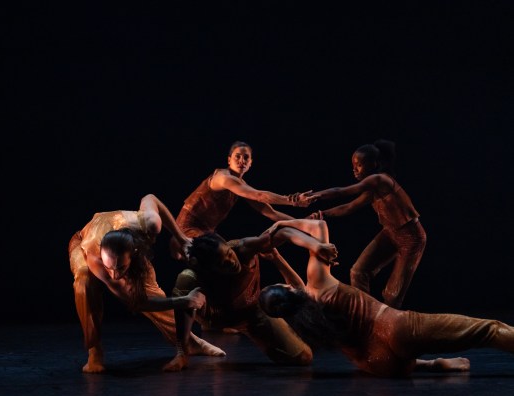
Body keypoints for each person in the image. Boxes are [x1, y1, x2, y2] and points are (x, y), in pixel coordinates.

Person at [258, 218, 514, 378]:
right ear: (287, 289)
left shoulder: (305, 326)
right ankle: (430, 361)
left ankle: (432, 364)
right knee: (490, 330)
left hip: (381, 365)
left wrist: (279, 260)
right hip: (396, 328)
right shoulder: (318, 281)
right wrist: (285, 228)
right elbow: (319, 226)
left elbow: (298, 292)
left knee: (385, 352)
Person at [68, 194, 225, 373]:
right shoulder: (97, 259)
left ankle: (189, 341)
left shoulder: (149, 223)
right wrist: (184, 301)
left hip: (122, 236)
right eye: (110, 268)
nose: (115, 274)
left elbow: (151, 198)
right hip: (83, 242)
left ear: (134, 253)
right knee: (84, 282)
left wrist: (180, 238)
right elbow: (135, 302)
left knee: (153, 294)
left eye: (121, 268)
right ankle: (94, 352)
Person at [162, 224, 339, 372]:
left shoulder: (243, 248)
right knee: (185, 279)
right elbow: (183, 304)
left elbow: (282, 232)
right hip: (216, 315)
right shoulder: (197, 274)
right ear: (210, 269)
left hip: (251, 312)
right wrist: (181, 350)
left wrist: (315, 245)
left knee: (303, 357)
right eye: (223, 263)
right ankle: (184, 350)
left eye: (229, 254)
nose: (231, 262)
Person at [307, 139, 425, 309]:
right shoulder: (373, 188)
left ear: (374, 164)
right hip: (390, 232)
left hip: (411, 238)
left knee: (393, 295)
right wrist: (322, 214)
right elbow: (349, 207)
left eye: (360, 165)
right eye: (353, 165)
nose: (355, 169)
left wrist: (315, 196)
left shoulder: (380, 180)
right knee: (358, 271)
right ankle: (365, 314)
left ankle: (388, 327)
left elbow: (342, 191)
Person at [170, 140, 315, 261]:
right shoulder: (223, 178)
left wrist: (304, 225)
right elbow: (260, 195)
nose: (241, 161)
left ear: (251, 163)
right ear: (229, 160)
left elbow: (270, 213)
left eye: (246, 158)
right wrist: (293, 200)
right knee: (231, 258)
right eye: (237, 157)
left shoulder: (241, 186)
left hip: (206, 234)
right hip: (185, 232)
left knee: (241, 257)